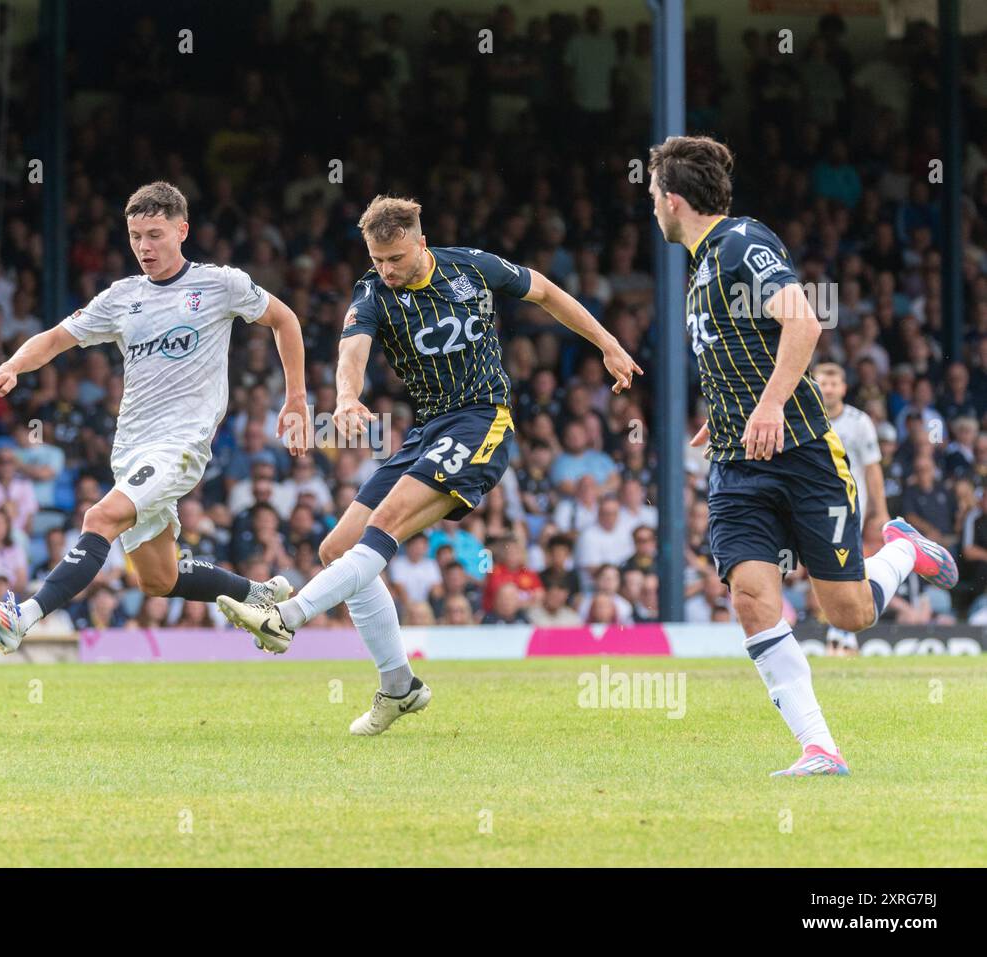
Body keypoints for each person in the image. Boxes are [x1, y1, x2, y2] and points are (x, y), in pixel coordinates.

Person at [218, 194, 641, 735]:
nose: (387, 271)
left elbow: (548, 293)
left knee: (383, 525)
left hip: (481, 420)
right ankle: (399, 689)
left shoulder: (471, 267)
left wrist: (606, 343)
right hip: (427, 430)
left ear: (421, 242)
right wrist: (347, 398)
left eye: (396, 258)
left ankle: (287, 616)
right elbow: (353, 349)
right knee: (336, 549)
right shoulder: (372, 291)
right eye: (377, 260)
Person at [647, 134, 957, 776]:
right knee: (752, 597)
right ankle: (820, 747)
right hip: (736, 464)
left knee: (848, 612)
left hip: (803, 454)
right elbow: (744, 352)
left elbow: (804, 321)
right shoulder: (699, 271)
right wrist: (727, 415)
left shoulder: (742, 241)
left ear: (673, 200)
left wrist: (766, 407)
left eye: (653, 195)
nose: (652, 206)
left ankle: (902, 548)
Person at [0, 182, 307, 653]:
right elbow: (55, 338)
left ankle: (21, 617)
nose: (144, 246)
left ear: (182, 230)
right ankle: (259, 595)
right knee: (159, 579)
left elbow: (285, 319)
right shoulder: (122, 297)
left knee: (99, 517)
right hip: (130, 449)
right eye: (135, 236)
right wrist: (9, 366)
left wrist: (295, 397)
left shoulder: (220, 284)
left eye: (155, 234)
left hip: (180, 444)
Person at [813, 361, 889, 655]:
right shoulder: (804, 418)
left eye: (834, 384)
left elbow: (873, 469)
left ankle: (842, 633)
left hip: (848, 505)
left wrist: (879, 511)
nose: (829, 389)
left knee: (845, 566)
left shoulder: (860, 422)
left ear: (843, 388)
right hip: (812, 504)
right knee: (824, 567)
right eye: (823, 383)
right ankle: (838, 630)